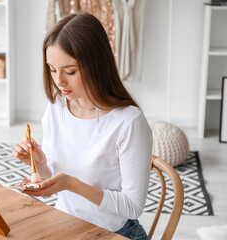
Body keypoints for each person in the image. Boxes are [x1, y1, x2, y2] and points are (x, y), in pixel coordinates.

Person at [12, 13, 152, 240]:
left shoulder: (129, 122)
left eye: (70, 71)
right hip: (65, 226)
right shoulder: (56, 108)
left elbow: (133, 207)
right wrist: (40, 164)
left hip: (114, 233)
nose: (59, 81)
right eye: (52, 69)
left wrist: (72, 184)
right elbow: (56, 181)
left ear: (96, 65)